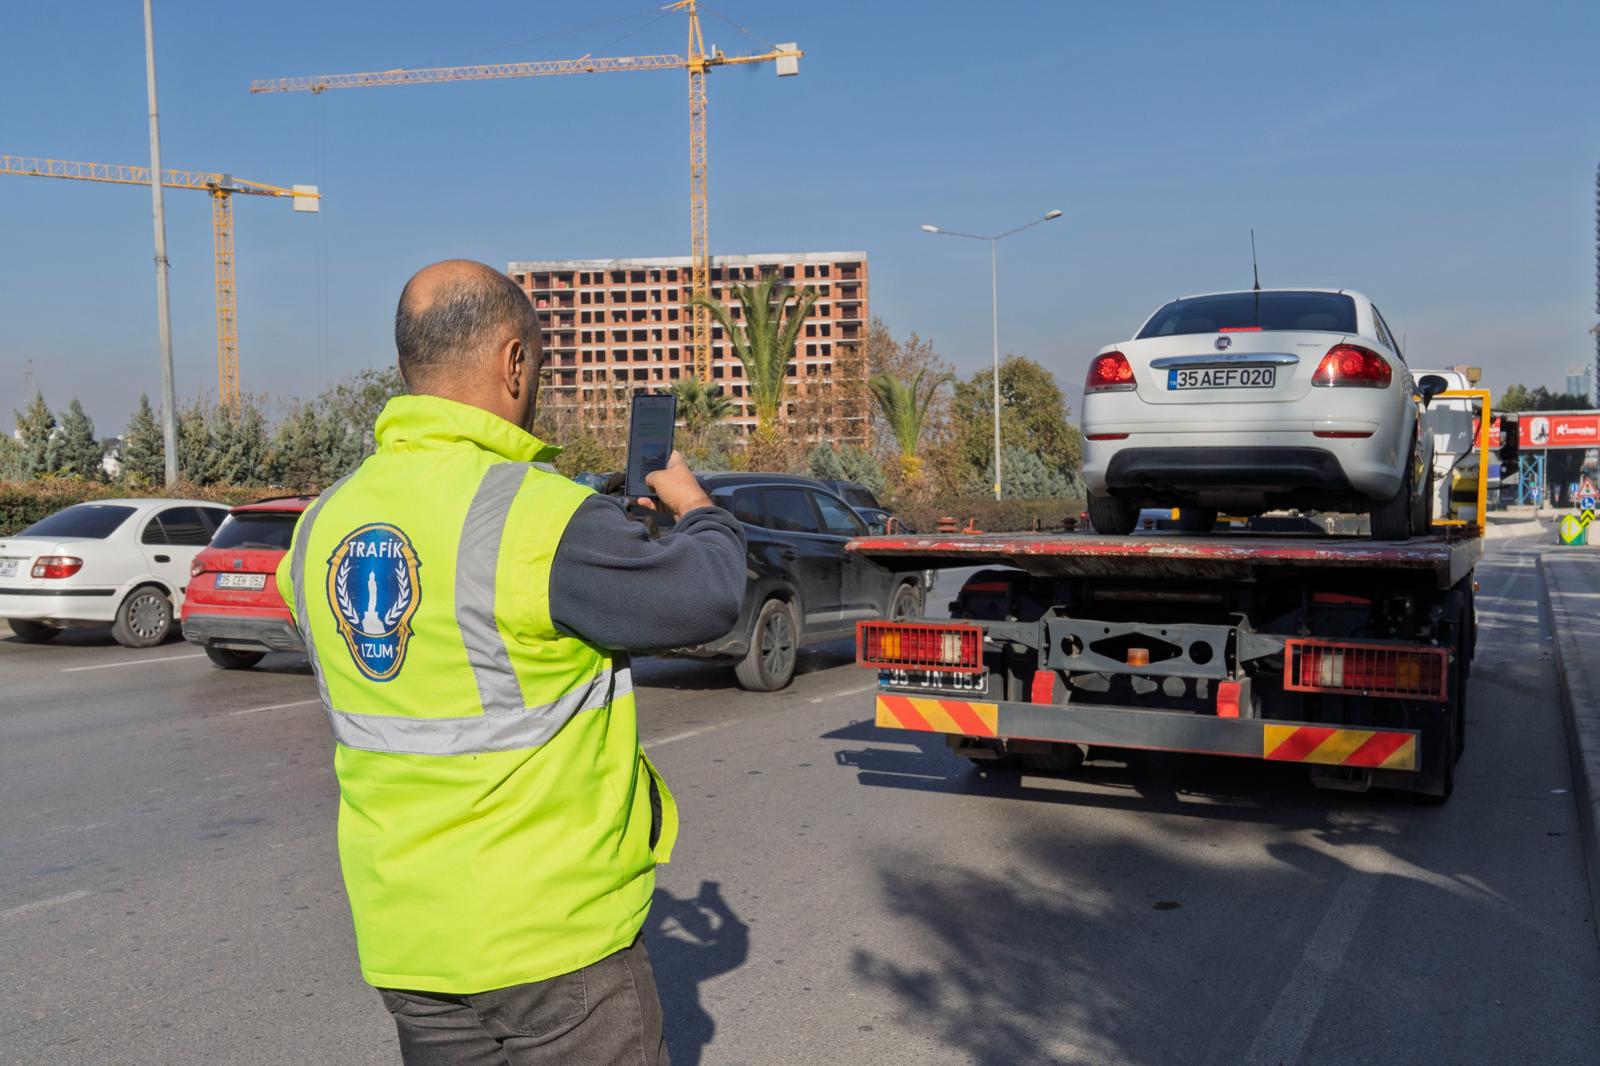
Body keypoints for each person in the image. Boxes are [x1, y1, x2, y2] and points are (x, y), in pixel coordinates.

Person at [277, 259, 746, 1065]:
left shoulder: (321, 524)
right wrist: (698, 510)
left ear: (408, 366)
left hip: (409, 941)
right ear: (514, 360)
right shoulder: (539, 514)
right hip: (550, 946)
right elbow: (707, 595)